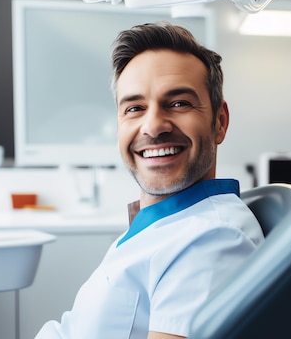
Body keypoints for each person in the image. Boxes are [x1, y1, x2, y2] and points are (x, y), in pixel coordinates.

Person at [35, 21, 264, 339]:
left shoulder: (212, 240)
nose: (153, 125)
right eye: (134, 108)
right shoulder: (160, 225)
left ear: (220, 122)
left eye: (179, 103)